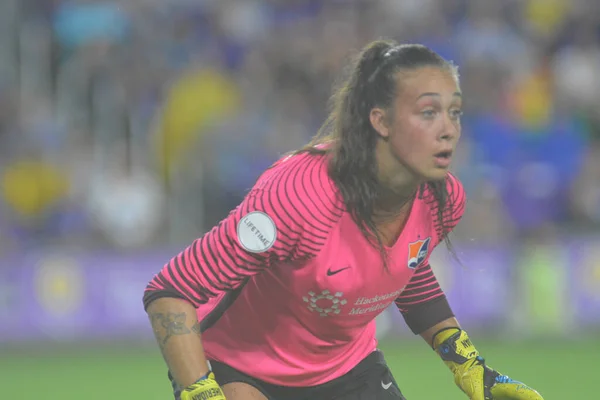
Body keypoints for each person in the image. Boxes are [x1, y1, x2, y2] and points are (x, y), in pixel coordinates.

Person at [143, 40, 544, 400]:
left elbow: (405, 266)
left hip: (346, 368)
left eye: (453, 112)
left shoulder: (444, 198)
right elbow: (170, 291)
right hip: (239, 366)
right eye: (427, 113)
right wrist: (200, 393)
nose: (448, 130)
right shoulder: (297, 199)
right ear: (381, 121)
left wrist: (468, 366)